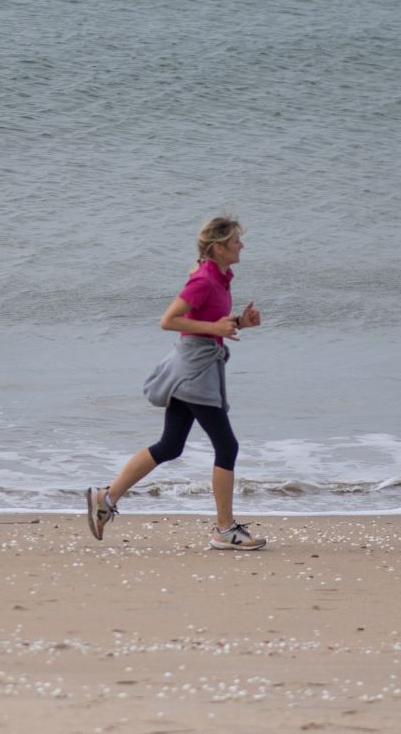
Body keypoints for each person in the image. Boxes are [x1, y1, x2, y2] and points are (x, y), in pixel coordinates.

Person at [85, 215, 267, 551]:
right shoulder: (204, 280)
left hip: (197, 366)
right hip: (195, 371)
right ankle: (225, 530)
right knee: (227, 446)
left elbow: (204, 319)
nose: (242, 245)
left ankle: (105, 498)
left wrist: (239, 322)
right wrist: (216, 329)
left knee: (170, 445)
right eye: (236, 241)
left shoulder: (220, 277)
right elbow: (169, 320)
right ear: (219, 247)